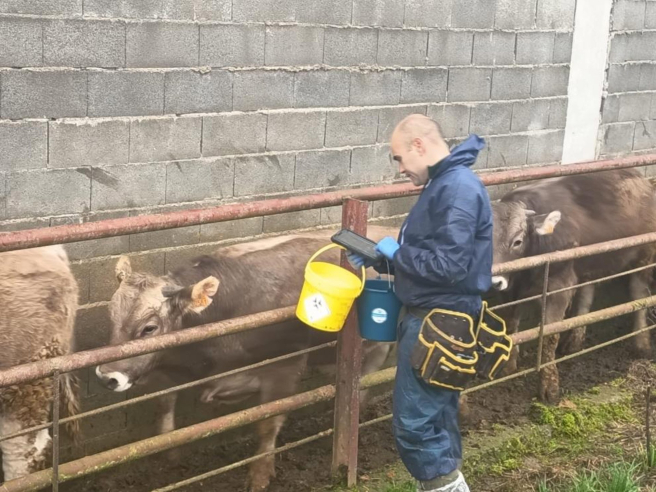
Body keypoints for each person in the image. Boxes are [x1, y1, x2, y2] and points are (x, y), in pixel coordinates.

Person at [347, 114, 493, 492]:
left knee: (414, 426)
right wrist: (382, 260)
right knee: (437, 418)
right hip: (437, 317)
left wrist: (397, 254)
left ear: (418, 145)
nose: (399, 168)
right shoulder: (444, 184)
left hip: (438, 321)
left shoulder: (457, 189)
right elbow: (434, 259)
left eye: (399, 157)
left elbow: (449, 266)